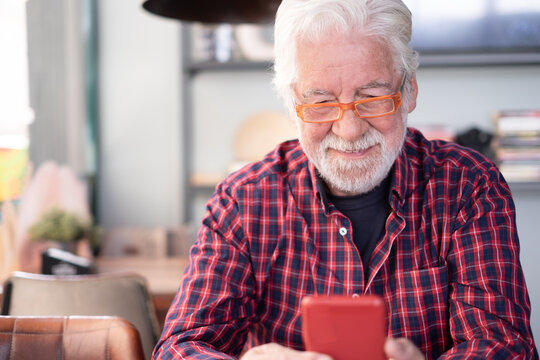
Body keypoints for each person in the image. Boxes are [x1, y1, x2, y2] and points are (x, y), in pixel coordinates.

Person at [153, 0, 538, 358]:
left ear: (409, 90)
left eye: (372, 97)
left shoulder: (469, 186)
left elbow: (505, 346)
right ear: (293, 105)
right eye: (321, 103)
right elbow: (180, 346)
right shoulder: (244, 201)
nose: (350, 129)